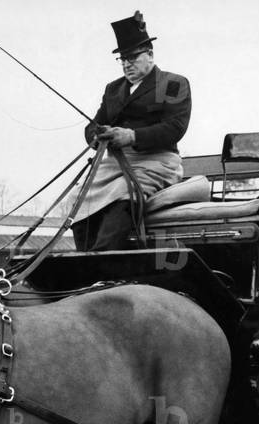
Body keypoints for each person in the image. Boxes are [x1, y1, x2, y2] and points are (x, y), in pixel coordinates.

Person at [71, 11, 191, 252]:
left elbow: (174, 128)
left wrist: (132, 136)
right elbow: (92, 126)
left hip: (157, 162)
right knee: (79, 198)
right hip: (114, 164)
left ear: (150, 54)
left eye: (133, 57)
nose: (127, 64)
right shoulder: (113, 89)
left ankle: (101, 258)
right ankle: (83, 258)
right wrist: (97, 135)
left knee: (124, 194)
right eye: (123, 59)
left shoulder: (172, 83)